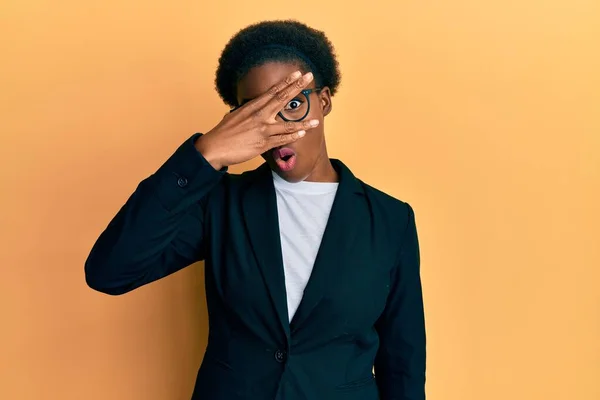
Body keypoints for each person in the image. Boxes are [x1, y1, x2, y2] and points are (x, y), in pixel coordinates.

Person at [85, 19, 426, 400]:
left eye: (293, 104)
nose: (278, 127)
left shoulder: (390, 220)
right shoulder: (219, 205)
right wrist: (205, 155)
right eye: (257, 113)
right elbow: (109, 272)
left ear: (325, 101)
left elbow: (403, 366)